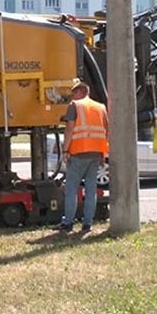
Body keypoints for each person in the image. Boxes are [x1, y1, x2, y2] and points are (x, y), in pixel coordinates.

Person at [57, 82, 108, 233]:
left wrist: (65, 150)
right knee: (91, 189)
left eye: (74, 93)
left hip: (78, 152)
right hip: (96, 153)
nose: (72, 96)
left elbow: (69, 129)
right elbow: (107, 129)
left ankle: (68, 223)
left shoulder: (75, 105)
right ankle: (87, 224)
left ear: (80, 92)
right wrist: (104, 153)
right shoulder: (101, 107)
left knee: (72, 188)